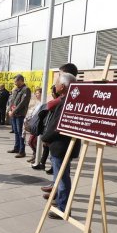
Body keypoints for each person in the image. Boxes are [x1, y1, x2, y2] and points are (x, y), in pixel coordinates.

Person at [41, 72, 80, 219]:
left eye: (56, 83)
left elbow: (57, 125)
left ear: (62, 86)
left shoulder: (66, 102)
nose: (55, 86)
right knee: (61, 177)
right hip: (65, 145)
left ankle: (64, 209)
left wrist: (45, 138)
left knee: (62, 178)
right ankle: (60, 201)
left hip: (61, 145)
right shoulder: (72, 99)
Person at [7, 74, 31, 158]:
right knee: (16, 132)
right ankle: (16, 148)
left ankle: (22, 151)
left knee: (21, 133)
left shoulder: (26, 89)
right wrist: (9, 110)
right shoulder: (16, 89)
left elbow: (22, 103)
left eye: (16, 81)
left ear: (21, 80)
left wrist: (13, 111)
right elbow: (11, 101)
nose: (15, 83)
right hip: (14, 114)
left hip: (20, 114)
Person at [24, 87, 43, 164]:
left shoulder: (43, 103)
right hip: (33, 124)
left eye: (38, 93)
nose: (36, 95)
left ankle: (37, 156)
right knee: (32, 142)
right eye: (36, 93)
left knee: (31, 142)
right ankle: (34, 156)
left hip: (38, 125)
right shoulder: (38, 103)